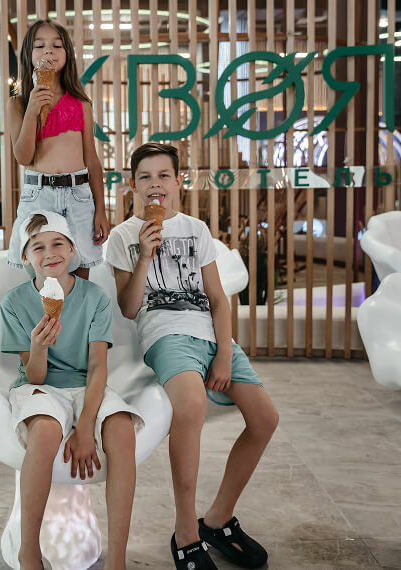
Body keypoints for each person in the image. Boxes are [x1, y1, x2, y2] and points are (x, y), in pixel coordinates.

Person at [105, 143, 279, 570]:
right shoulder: (123, 237)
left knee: (265, 419)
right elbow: (128, 308)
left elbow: (218, 299)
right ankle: (185, 531)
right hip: (165, 335)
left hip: (210, 335)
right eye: (145, 177)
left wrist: (224, 353)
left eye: (163, 175)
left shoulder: (196, 230)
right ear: (133, 185)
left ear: (178, 181)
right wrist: (146, 254)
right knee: (192, 406)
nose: (155, 185)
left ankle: (217, 519)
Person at [0, 209, 143, 570]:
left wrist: (85, 426)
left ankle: (117, 560)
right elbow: (35, 377)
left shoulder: (95, 298)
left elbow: (97, 367)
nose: (50, 253)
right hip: (40, 387)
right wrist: (38, 347)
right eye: (38, 247)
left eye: (58, 244)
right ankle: (29, 551)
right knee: (45, 432)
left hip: (87, 384)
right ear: (25, 257)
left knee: (123, 431)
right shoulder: (14, 304)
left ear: (73, 250)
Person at [6, 19, 109, 280]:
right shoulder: (18, 104)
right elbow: (23, 157)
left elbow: (92, 160)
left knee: (80, 273)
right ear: (28, 55)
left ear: (67, 54)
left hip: (78, 196)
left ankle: (77, 309)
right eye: (40, 46)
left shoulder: (82, 103)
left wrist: (101, 208)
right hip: (38, 195)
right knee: (42, 275)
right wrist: (32, 111)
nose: (49, 51)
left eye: (57, 45)